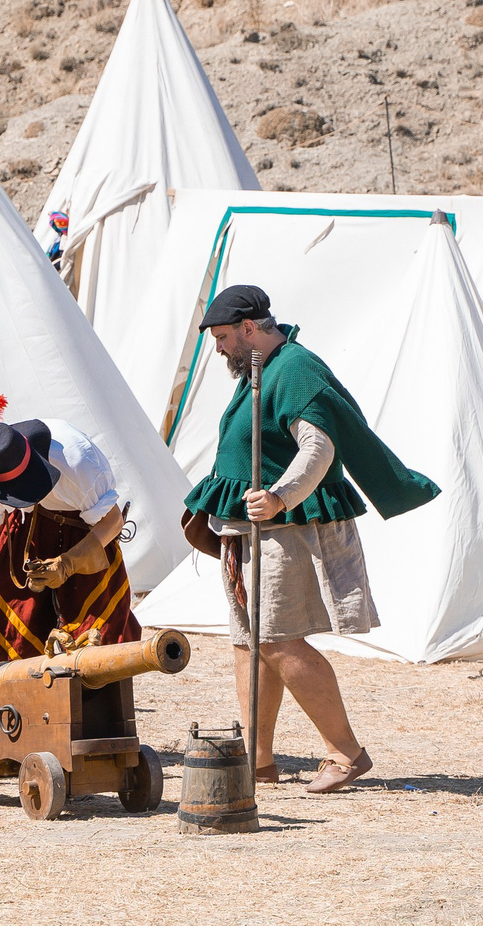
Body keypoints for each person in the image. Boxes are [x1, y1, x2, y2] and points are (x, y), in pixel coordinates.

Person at [185, 284, 439, 794]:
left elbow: (317, 447)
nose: (218, 349)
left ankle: (345, 752)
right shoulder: (262, 369)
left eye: (222, 338)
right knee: (248, 644)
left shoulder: (294, 367)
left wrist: (280, 496)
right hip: (249, 532)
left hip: (283, 531)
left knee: (277, 640)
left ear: (250, 330)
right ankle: (257, 760)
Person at [0, 394, 139, 664]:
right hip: (25, 531)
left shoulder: (78, 460)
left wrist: (67, 564)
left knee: (95, 640)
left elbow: (111, 521)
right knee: (18, 634)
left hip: (84, 535)